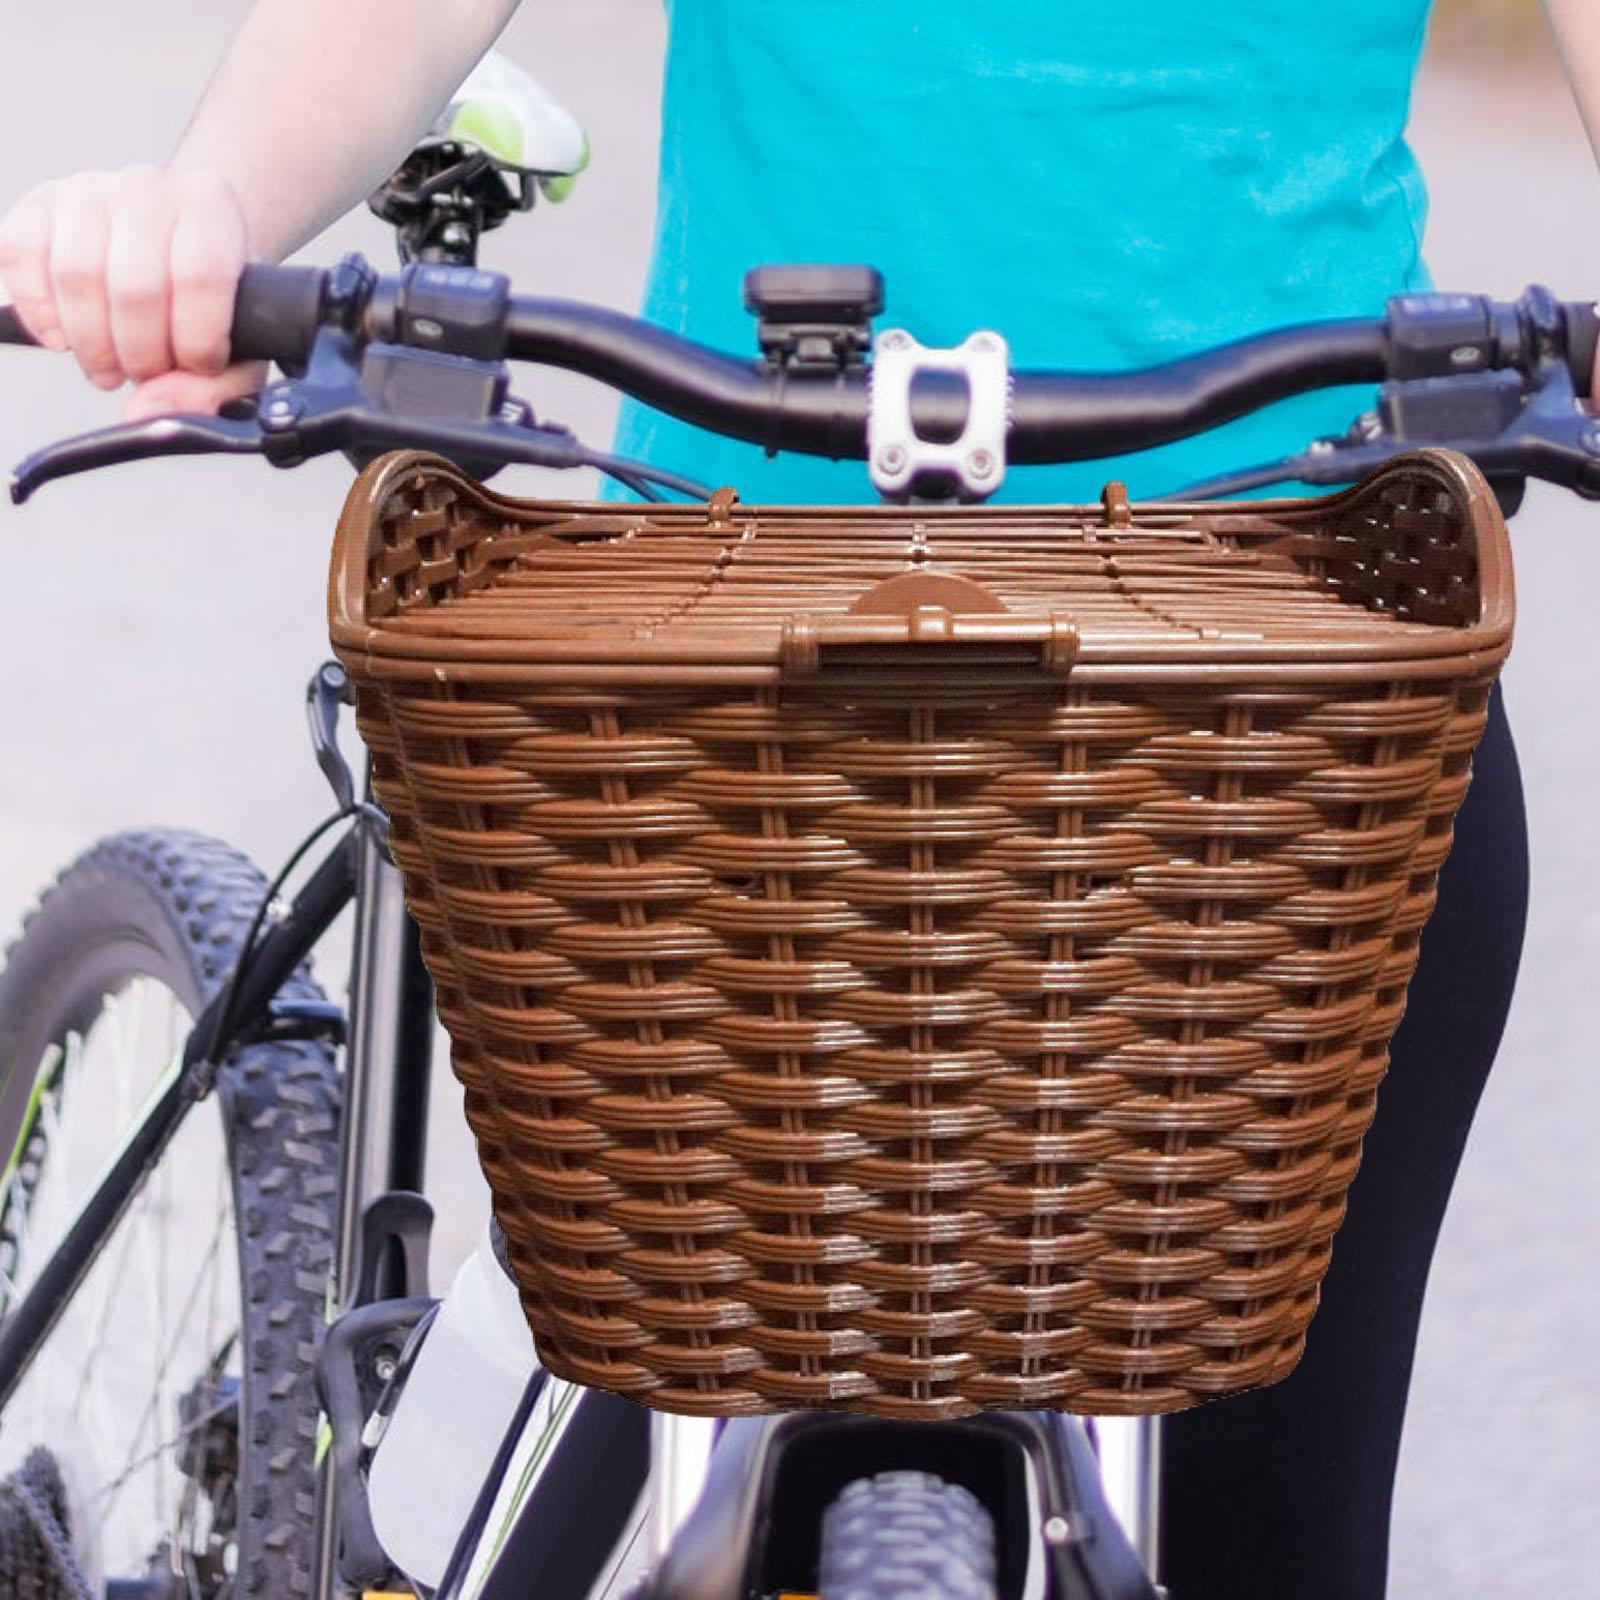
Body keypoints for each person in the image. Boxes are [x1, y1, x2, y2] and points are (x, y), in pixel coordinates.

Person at [0, 2, 1591, 1594]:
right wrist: (203, 205)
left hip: (1303, 708)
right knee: (554, 1514)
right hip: (743, 682)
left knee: (1275, 1547)